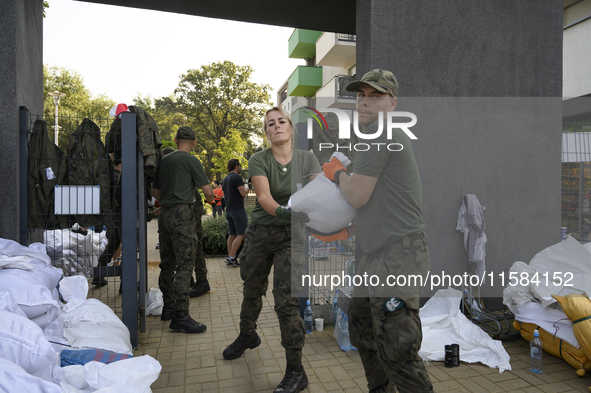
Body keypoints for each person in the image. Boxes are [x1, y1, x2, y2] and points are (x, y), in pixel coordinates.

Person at [323, 69, 434, 393]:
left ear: (393, 102)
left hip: (397, 255)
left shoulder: (380, 135)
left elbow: (356, 195)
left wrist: (337, 172)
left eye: (376, 96)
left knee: (398, 348)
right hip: (378, 255)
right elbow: (381, 204)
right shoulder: (380, 136)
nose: (365, 102)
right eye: (361, 95)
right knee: (363, 330)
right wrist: (344, 234)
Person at [223, 107, 321, 393]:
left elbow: (317, 192)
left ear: (290, 129)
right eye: (270, 124)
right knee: (251, 288)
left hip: (293, 237)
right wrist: (292, 213)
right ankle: (247, 335)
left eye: (281, 121)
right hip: (262, 232)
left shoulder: (308, 158)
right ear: (266, 133)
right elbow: (264, 197)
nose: (276, 126)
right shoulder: (258, 159)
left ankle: (296, 371)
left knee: (286, 301)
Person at [151, 126, 214, 334]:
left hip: (165, 215)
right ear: (194, 143)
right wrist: (211, 199)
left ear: (176, 140)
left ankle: (168, 308)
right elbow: (208, 192)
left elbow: (156, 192)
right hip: (183, 216)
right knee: (186, 264)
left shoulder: (164, 161)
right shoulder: (192, 160)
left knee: (167, 263)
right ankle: (181, 316)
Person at [221, 158, 248, 267]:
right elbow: (242, 193)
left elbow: (224, 195)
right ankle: (232, 257)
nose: (241, 167)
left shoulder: (225, 179)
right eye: (240, 165)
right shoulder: (237, 178)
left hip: (229, 210)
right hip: (238, 210)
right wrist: (246, 186)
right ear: (237, 166)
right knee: (241, 234)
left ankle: (230, 257)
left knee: (232, 234)